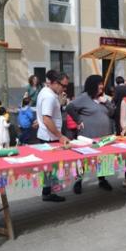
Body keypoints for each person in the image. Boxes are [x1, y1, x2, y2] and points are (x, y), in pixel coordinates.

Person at [66, 74, 115, 194]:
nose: (102, 87)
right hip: (88, 136)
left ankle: (102, 180)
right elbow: (69, 107)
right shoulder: (84, 98)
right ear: (92, 85)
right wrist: (78, 120)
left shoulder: (103, 98)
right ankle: (78, 181)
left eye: (102, 84)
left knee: (104, 158)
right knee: (82, 160)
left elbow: (113, 112)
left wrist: (106, 102)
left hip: (104, 136)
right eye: (99, 84)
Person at [36, 70, 70, 202]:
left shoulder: (47, 92)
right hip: (50, 137)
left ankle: (47, 191)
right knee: (51, 167)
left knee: (49, 168)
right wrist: (60, 136)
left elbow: (44, 115)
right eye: (63, 85)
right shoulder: (49, 97)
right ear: (55, 83)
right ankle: (49, 193)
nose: (65, 88)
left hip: (47, 135)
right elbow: (47, 119)